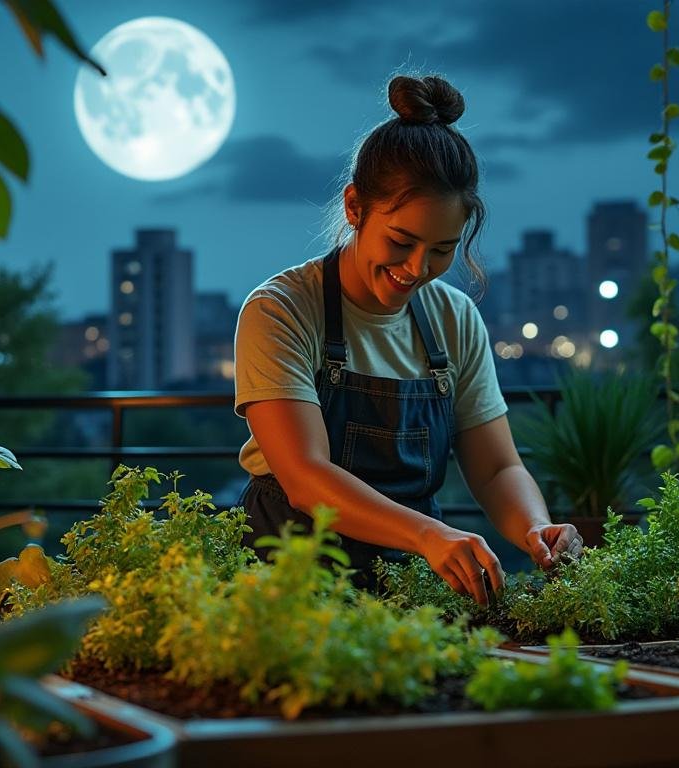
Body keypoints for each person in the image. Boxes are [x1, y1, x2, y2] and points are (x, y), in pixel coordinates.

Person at [233, 74, 582, 605]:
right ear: (355, 208)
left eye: (442, 249)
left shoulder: (455, 318)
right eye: (401, 241)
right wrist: (428, 533)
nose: (418, 268)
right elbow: (305, 477)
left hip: (415, 583)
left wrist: (536, 528)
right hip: (293, 584)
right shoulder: (279, 310)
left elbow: (496, 468)